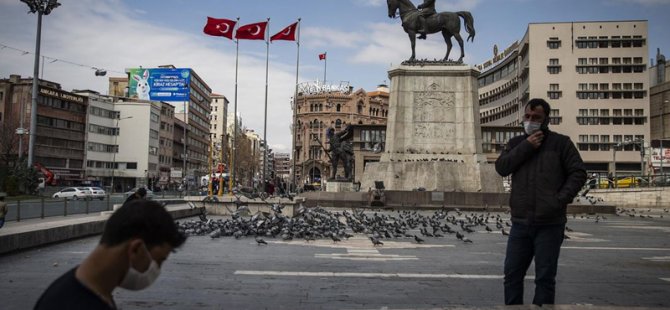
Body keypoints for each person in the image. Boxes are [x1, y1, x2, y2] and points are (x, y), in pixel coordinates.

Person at [495, 98, 586, 306]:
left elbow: (578, 173)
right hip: (520, 223)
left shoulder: (561, 143)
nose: (530, 121)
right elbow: (502, 167)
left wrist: (559, 200)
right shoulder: (516, 143)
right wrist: (526, 146)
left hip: (550, 224)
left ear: (546, 120)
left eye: (536, 117)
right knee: (511, 275)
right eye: (527, 116)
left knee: (545, 278)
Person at [34, 199, 187, 309]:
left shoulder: (74, 287)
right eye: (159, 261)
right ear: (136, 249)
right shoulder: (80, 304)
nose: (157, 270)